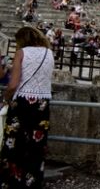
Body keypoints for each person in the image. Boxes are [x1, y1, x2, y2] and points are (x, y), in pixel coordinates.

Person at [1, 26, 55, 188]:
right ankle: (33, 182)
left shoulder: (21, 53)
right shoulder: (49, 53)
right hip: (42, 104)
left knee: (14, 144)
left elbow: (13, 84)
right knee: (36, 146)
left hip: (22, 102)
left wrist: (5, 99)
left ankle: (13, 181)